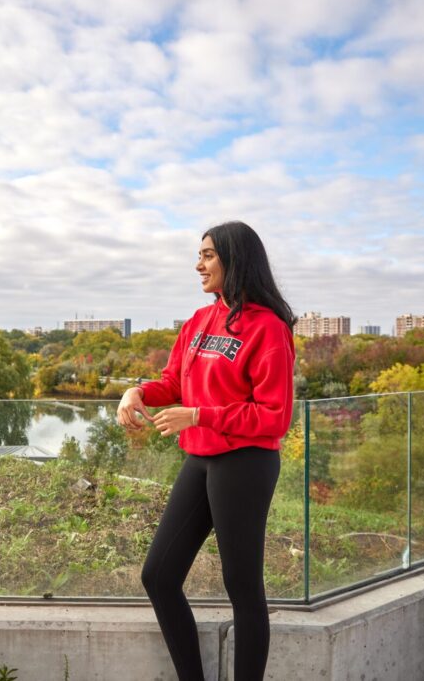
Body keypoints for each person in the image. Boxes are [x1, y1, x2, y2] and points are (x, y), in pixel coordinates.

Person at [116, 221, 295, 681]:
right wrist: (137, 392)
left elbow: (274, 416)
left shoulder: (269, 328)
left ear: (235, 259)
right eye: (200, 255)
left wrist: (198, 415)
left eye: (209, 255)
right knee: (158, 575)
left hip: (246, 462)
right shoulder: (199, 321)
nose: (199, 264)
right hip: (202, 457)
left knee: (242, 587)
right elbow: (174, 382)